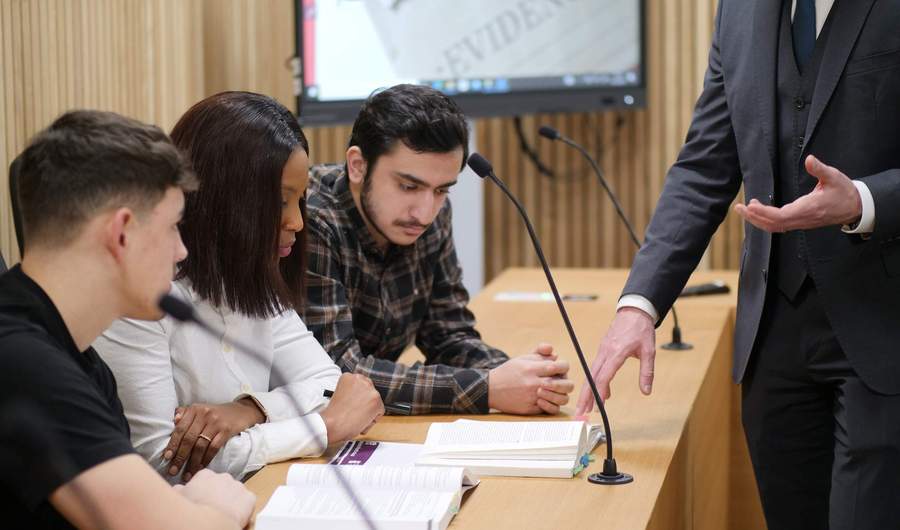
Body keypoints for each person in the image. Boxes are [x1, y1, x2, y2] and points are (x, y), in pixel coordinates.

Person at [576, 1, 900, 529]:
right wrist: (640, 305)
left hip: (883, 330)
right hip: (772, 339)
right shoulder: (738, 10)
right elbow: (706, 166)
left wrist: (865, 200)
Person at [94, 92, 384, 483]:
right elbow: (164, 460)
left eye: (300, 201)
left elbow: (329, 385)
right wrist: (324, 429)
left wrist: (249, 410)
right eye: (281, 202)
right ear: (226, 199)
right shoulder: (142, 297)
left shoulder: (252, 277)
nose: (297, 222)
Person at [0, 110, 255, 529]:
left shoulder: (79, 359)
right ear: (121, 233)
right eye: (174, 227)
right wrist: (214, 508)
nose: (181, 252)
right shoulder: (24, 362)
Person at [302, 84, 573, 416]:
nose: (425, 211)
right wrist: (488, 388)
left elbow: (447, 335)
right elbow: (336, 376)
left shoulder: (431, 215)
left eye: (442, 190)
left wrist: (523, 377)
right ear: (357, 165)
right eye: (408, 186)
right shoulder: (312, 220)